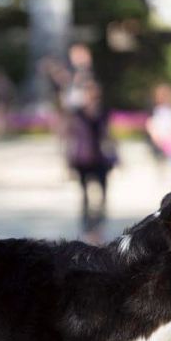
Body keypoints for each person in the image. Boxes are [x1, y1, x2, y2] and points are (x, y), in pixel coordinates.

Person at [66, 82, 116, 243]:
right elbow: (70, 136)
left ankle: (99, 225)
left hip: (100, 158)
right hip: (82, 159)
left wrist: (117, 154)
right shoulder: (77, 113)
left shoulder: (103, 113)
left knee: (102, 194)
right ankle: (87, 227)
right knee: (85, 195)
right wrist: (67, 159)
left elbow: (108, 134)